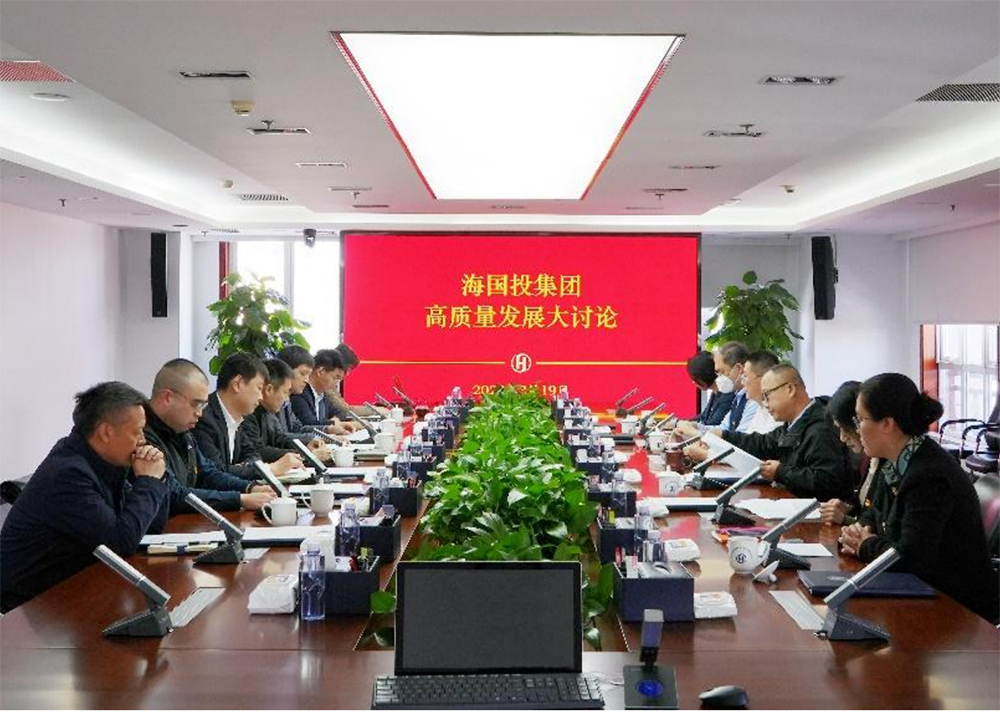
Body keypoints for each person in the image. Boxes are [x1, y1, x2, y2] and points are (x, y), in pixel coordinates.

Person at [840, 373, 998, 622]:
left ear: (887, 423)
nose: (857, 429)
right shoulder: (892, 463)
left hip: (956, 610)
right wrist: (858, 532)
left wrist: (865, 545)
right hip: (916, 592)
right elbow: (871, 516)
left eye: (860, 419)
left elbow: (911, 559)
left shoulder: (929, 475)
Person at [0, 382, 169, 612]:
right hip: (24, 607)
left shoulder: (102, 459)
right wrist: (148, 481)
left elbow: (151, 526)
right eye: (137, 431)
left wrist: (156, 478)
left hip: (68, 589)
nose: (143, 440)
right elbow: (121, 543)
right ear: (106, 432)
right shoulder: (68, 474)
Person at [143, 358, 275, 513]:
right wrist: (239, 499)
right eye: (196, 404)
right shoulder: (140, 434)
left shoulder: (181, 430)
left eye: (203, 405)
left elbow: (208, 473)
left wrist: (249, 487)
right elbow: (172, 494)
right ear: (168, 398)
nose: (199, 413)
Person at [712, 364, 854, 501]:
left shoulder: (821, 429)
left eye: (767, 395)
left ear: (790, 389)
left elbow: (827, 481)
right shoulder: (795, 423)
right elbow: (764, 444)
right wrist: (724, 436)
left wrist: (781, 472)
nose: (765, 403)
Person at [193, 352, 302, 478]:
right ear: (237, 384)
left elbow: (253, 454)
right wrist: (270, 469)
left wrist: (242, 468)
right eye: (259, 388)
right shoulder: (203, 418)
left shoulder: (237, 418)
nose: (261, 397)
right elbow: (216, 473)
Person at [239, 358, 328, 463]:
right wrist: (306, 454)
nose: (286, 399)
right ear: (269, 389)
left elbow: (280, 437)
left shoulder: (267, 410)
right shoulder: (247, 412)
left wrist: (307, 444)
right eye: (286, 392)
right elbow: (257, 451)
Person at [819, 381, 880, 526]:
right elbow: (867, 510)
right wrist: (848, 509)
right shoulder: (868, 458)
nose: (842, 437)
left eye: (845, 428)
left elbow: (880, 526)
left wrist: (845, 519)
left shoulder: (887, 462)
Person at [290, 348, 356, 428]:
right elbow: (308, 423)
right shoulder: (299, 392)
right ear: (320, 371)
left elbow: (340, 413)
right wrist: (333, 424)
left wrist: (334, 421)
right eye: (336, 378)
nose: (336, 384)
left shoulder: (323, 394)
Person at [714, 342, 758, 433]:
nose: (719, 377)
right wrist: (696, 428)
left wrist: (697, 432)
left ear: (739, 368)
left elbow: (739, 436)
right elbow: (723, 428)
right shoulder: (738, 397)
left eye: (722, 372)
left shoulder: (754, 399)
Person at [686, 350, 734, 426]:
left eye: (694, 379)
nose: (693, 382)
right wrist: (677, 423)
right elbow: (703, 417)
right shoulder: (715, 393)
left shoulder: (727, 396)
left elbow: (713, 424)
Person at [740, 351, 782, 435]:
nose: (742, 383)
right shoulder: (761, 406)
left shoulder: (781, 411)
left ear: (764, 379)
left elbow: (763, 442)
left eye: (745, 376)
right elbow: (748, 438)